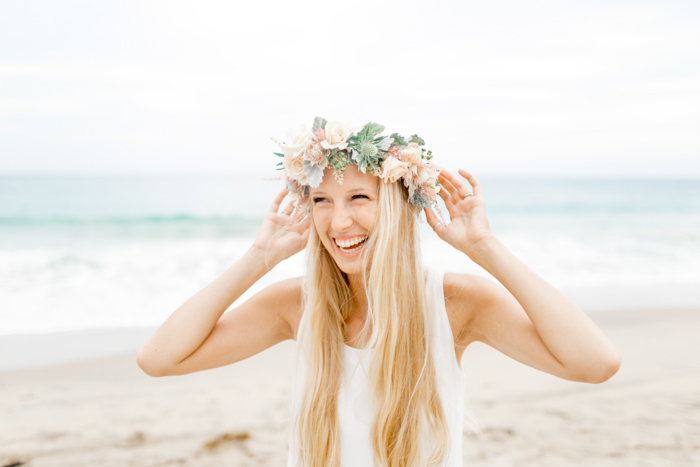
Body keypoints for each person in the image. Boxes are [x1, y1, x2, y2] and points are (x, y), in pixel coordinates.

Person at [137, 118, 621, 467]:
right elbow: (159, 358)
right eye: (321, 200)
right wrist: (259, 256)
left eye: (358, 198)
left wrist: (484, 248)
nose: (338, 221)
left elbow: (595, 364)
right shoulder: (298, 305)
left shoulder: (452, 304)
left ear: (395, 206)